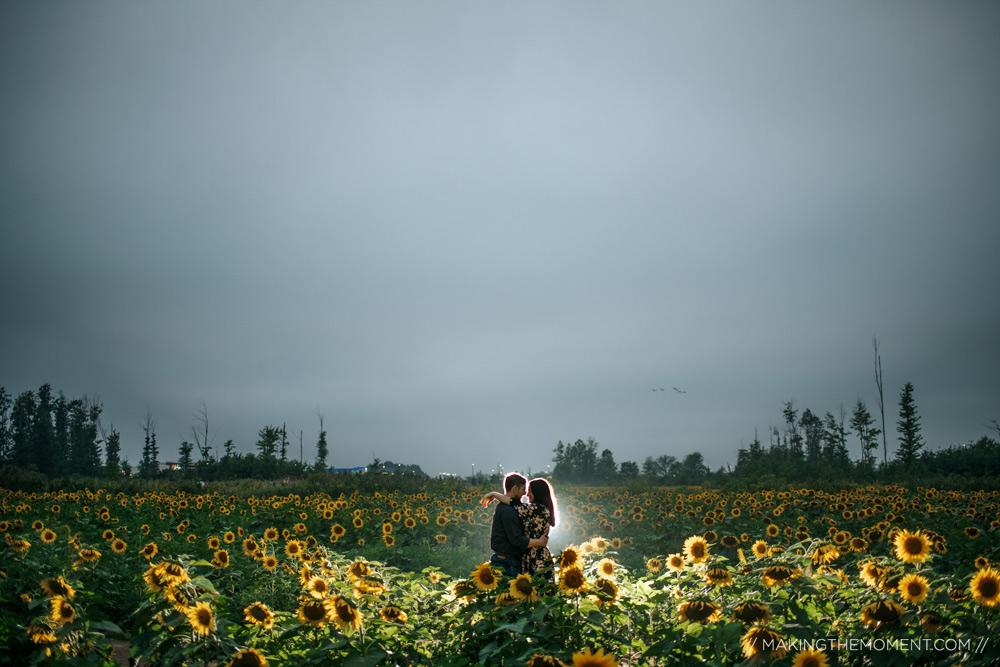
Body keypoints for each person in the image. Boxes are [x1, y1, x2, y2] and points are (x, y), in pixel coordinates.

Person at [481, 476, 557, 580]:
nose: (526, 493)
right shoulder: (512, 510)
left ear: (537, 493)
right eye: (524, 489)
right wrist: (539, 542)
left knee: (537, 592)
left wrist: (494, 494)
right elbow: (516, 539)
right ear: (515, 488)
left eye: (529, 490)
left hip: (535, 558)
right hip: (518, 559)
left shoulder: (537, 510)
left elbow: (514, 503)